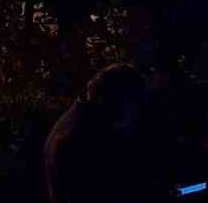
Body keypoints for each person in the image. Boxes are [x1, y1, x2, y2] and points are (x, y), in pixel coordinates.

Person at [43, 64, 164, 202]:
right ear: (112, 102)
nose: (134, 116)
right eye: (132, 107)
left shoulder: (83, 126)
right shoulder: (74, 142)